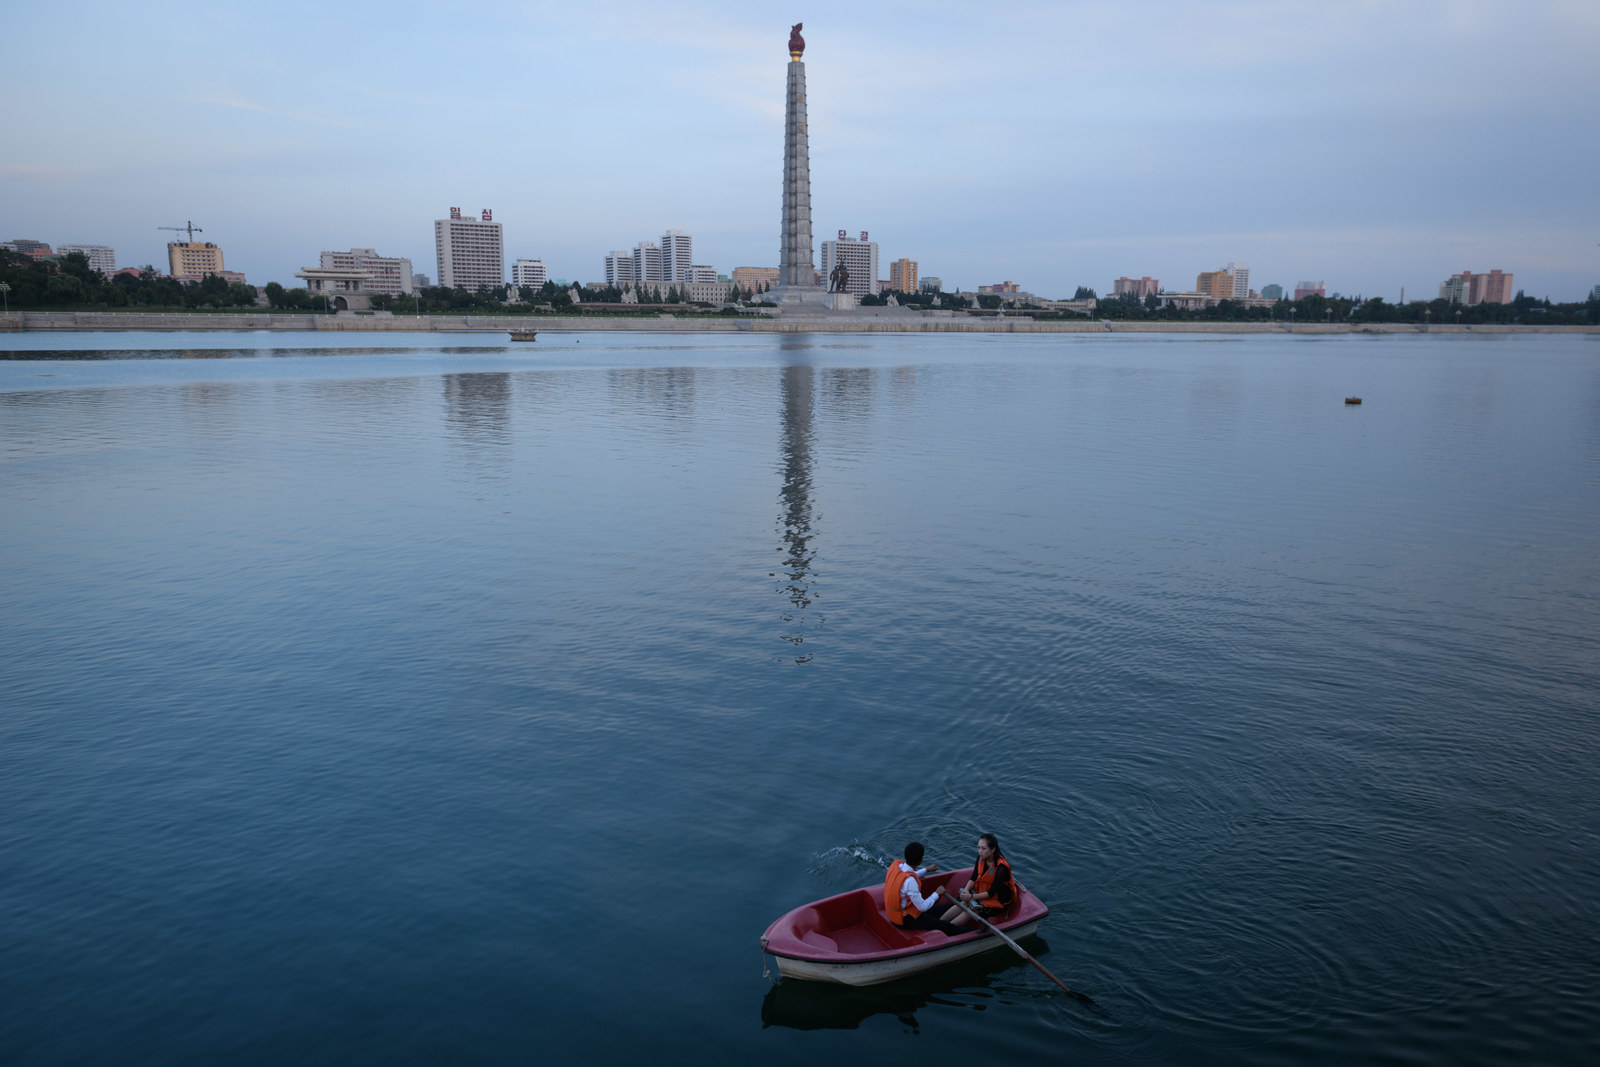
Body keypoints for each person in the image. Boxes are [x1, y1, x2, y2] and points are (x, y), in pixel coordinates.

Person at [885, 842, 967, 936]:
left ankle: (961, 903)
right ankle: (971, 934)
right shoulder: (910, 882)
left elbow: (906, 876)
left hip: (896, 914)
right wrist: (937, 893)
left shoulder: (897, 866)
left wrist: (926, 870)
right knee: (941, 925)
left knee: (941, 909)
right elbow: (922, 907)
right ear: (920, 860)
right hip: (904, 920)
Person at [940, 832, 1015, 929]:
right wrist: (966, 891)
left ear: (992, 850)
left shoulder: (1001, 868)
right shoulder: (981, 858)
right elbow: (974, 877)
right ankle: (939, 924)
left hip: (999, 902)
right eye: (978, 847)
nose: (980, 851)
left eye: (983, 848)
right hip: (983, 894)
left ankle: (947, 928)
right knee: (963, 903)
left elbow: (991, 893)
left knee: (974, 909)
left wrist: (971, 896)